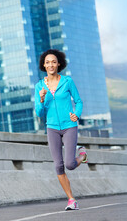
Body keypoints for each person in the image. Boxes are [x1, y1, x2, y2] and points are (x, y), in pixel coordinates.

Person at [34, 49, 88, 211]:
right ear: (44, 65)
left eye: (54, 62)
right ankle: (71, 200)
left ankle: (83, 155)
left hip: (69, 126)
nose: (51, 64)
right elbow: (39, 113)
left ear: (59, 64)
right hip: (52, 128)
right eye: (47, 62)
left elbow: (78, 102)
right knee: (58, 165)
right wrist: (42, 98)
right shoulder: (39, 86)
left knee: (70, 164)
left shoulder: (67, 81)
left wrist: (76, 115)